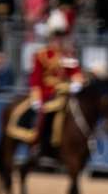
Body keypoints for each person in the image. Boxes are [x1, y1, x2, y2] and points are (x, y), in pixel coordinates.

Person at [27, 8, 84, 151]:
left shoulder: (68, 55)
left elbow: (76, 72)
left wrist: (76, 83)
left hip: (66, 93)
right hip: (48, 93)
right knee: (45, 113)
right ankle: (37, 143)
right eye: (56, 36)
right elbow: (35, 78)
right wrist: (36, 97)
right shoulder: (41, 55)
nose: (59, 40)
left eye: (61, 36)